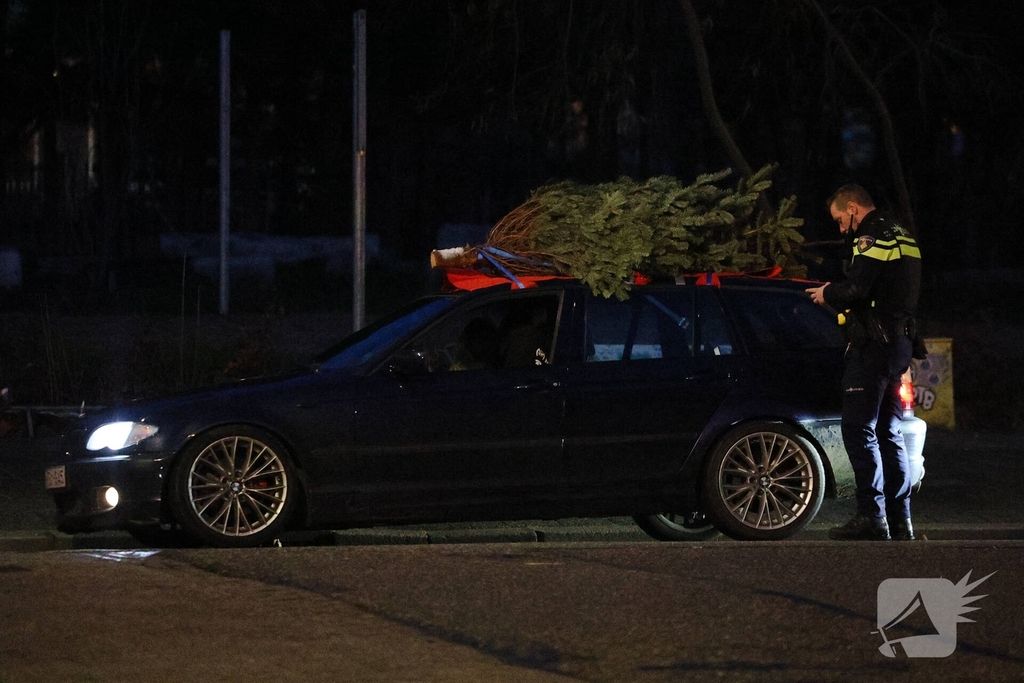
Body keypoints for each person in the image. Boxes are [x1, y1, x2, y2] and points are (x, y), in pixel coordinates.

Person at [806, 184, 923, 541]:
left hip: (874, 345)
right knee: (889, 432)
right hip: (899, 344)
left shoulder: (872, 237)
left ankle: (871, 516)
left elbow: (858, 289)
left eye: (842, 221)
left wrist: (828, 293)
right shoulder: (904, 235)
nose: (843, 230)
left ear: (854, 208)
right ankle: (900, 521)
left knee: (860, 430)